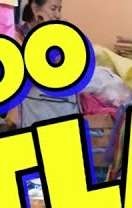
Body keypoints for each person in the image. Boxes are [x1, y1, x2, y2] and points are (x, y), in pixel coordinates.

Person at [15, 0, 82, 129]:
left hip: (63, 109)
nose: (58, 15)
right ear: (35, 8)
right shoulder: (17, 35)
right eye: (53, 9)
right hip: (32, 111)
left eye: (59, 9)